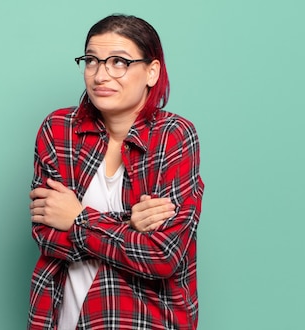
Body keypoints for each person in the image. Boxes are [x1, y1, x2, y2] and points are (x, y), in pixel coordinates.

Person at [27, 14, 204, 330]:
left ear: (152, 72)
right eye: (92, 61)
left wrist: (78, 217)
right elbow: (47, 237)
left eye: (119, 62)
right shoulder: (58, 131)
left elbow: (163, 255)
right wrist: (130, 226)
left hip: (145, 321)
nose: (100, 75)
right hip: (62, 319)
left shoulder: (173, 136)